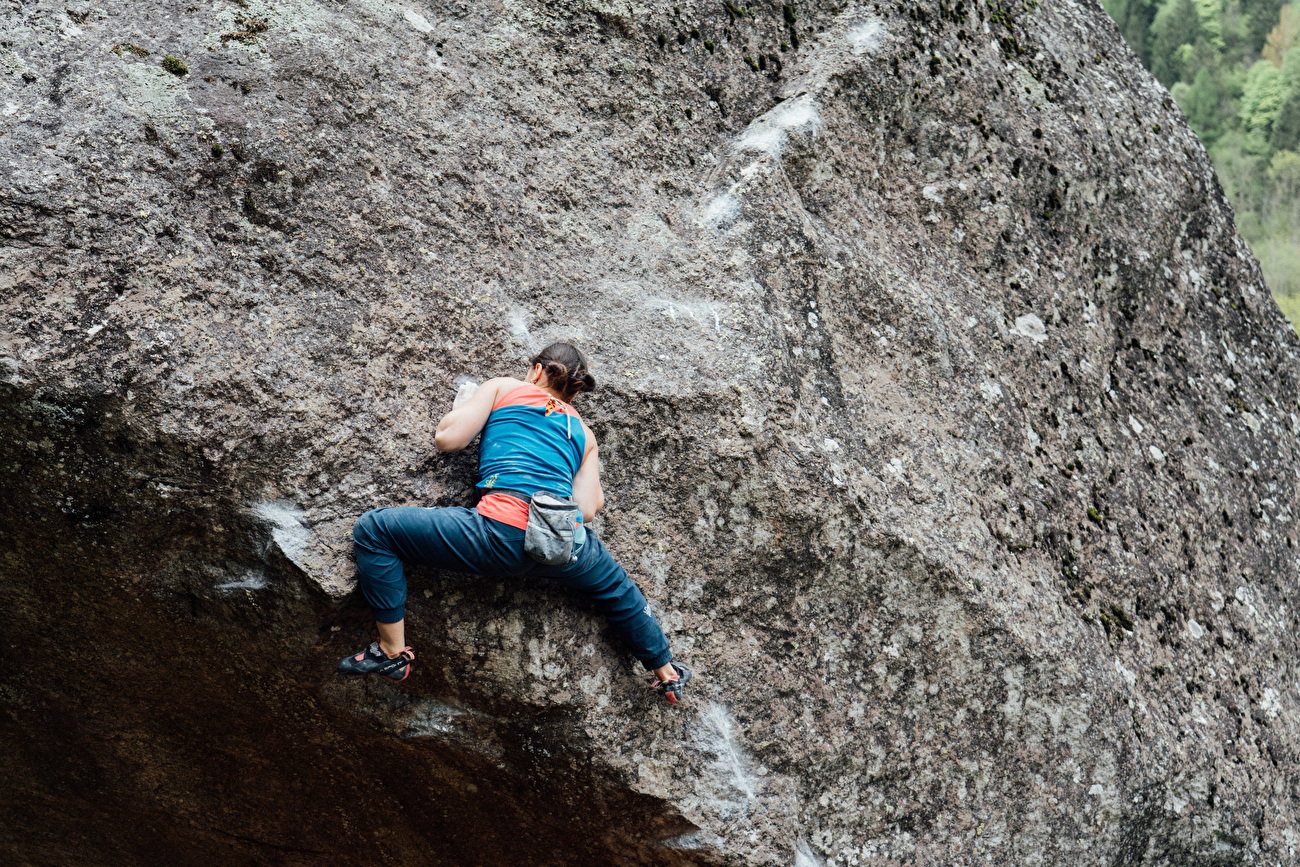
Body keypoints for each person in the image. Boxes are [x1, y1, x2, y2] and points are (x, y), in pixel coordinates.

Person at [338, 342, 691, 703]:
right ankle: (666, 670)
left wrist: (463, 408)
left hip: (498, 532)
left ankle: (392, 653)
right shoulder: (584, 434)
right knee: (618, 589)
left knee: (375, 530)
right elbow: (587, 508)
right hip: (563, 542)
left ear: (538, 371)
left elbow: (448, 440)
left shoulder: (504, 388)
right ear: (574, 390)